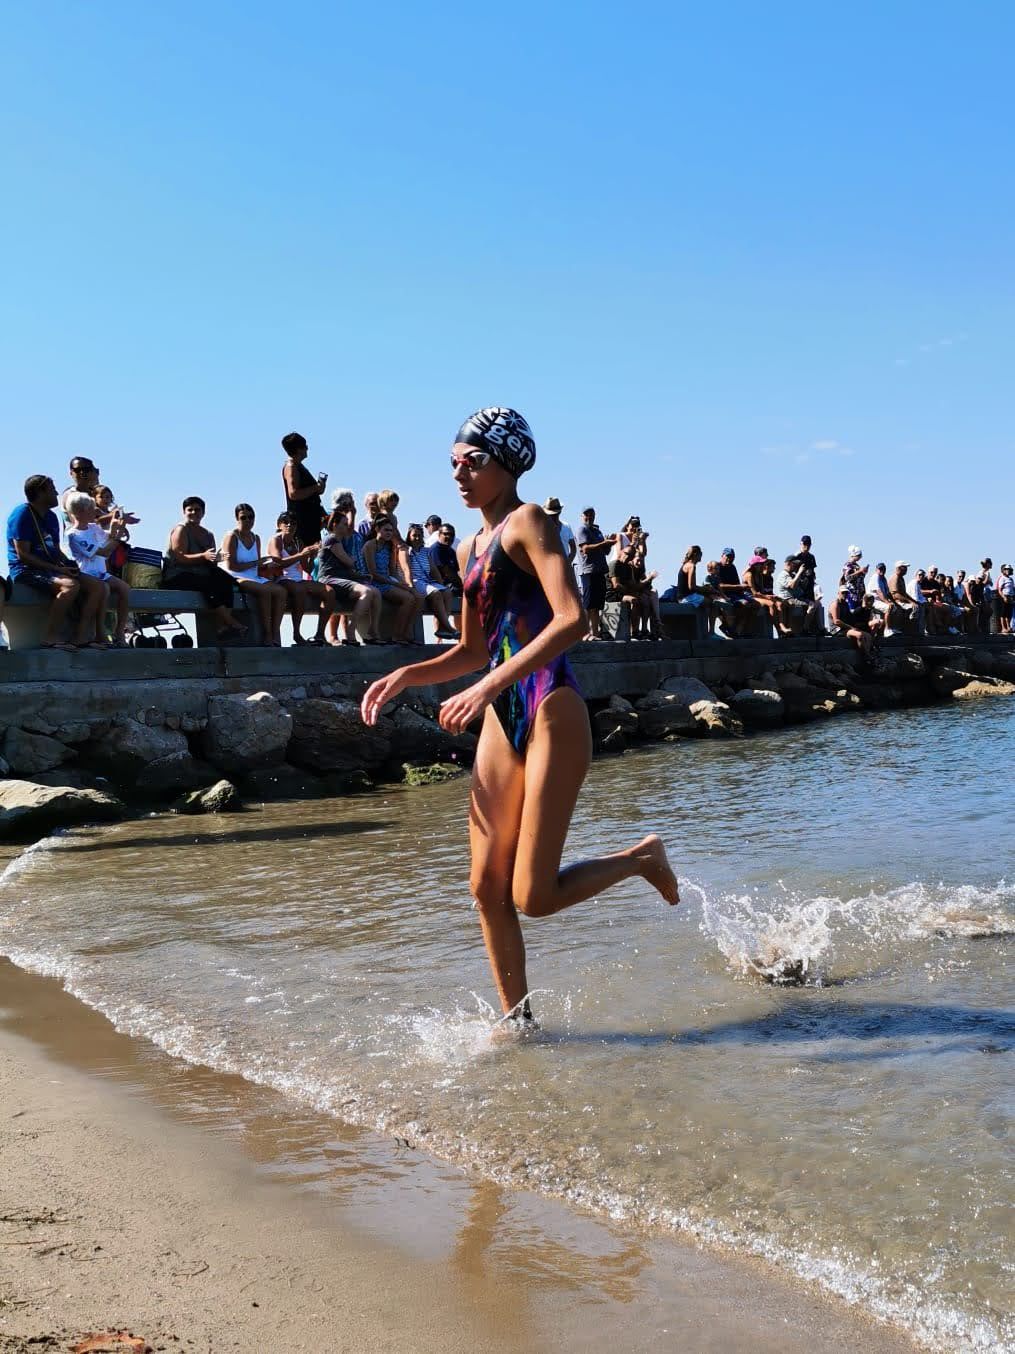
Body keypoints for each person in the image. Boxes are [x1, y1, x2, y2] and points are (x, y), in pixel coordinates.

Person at [360, 407, 679, 1022]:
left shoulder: (529, 522)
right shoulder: (470, 547)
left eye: (474, 462)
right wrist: (408, 673)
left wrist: (484, 688)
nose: (460, 474)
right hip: (503, 720)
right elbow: (473, 651)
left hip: (551, 708)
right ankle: (518, 1025)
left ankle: (642, 858)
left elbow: (572, 618)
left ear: (509, 464)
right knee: (486, 888)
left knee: (533, 895)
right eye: (454, 462)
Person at [7, 474, 106, 650]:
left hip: (51, 568)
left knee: (97, 586)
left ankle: (81, 637)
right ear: (40, 492)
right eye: (52, 490)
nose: (57, 493)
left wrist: (68, 564)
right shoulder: (22, 514)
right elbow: (24, 555)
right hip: (25, 570)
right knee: (69, 586)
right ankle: (50, 637)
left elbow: (55, 550)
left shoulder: (52, 517)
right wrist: (57, 569)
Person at [163, 496, 247, 640]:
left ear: (203, 512)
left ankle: (222, 625)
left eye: (197, 510)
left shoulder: (208, 534)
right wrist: (203, 556)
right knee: (207, 584)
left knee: (228, 581)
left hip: (200, 574)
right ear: (184, 512)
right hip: (177, 575)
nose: (194, 512)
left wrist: (216, 559)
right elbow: (180, 557)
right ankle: (232, 622)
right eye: (190, 510)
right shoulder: (180, 530)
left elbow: (209, 561)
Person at [65, 490, 131, 646]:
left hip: (101, 573)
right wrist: (117, 536)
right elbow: (105, 551)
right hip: (86, 574)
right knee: (104, 590)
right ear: (80, 512)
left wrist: (116, 527)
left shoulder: (93, 528)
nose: (94, 512)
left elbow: (108, 537)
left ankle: (119, 632)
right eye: (90, 509)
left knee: (125, 589)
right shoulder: (74, 535)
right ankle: (98, 633)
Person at [222, 504, 288, 647]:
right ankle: (267, 634)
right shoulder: (231, 536)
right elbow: (231, 566)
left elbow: (257, 565)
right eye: (243, 517)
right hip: (235, 576)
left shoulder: (255, 537)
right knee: (264, 591)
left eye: (251, 517)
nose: (248, 521)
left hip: (254, 576)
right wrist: (257, 562)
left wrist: (266, 566)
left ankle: (275, 631)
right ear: (237, 519)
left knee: (281, 592)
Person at [316, 509, 384, 644]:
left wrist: (361, 576)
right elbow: (349, 562)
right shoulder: (332, 539)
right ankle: (351, 629)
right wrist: (352, 561)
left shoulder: (339, 541)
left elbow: (348, 567)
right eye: (344, 524)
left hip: (342, 580)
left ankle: (373, 631)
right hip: (330, 579)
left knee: (375, 592)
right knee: (367, 591)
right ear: (335, 525)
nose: (348, 527)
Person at [267, 512, 335, 645]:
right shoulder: (276, 540)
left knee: (329, 591)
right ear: (279, 525)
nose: (289, 525)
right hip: (282, 578)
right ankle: (296, 633)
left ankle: (320, 634)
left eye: (293, 523)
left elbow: (307, 569)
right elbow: (279, 562)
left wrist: (312, 555)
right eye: (285, 522)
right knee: (299, 590)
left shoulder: (298, 542)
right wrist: (301, 555)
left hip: (298, 580)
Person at [362, 515, 420, 643]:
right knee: (408, 599)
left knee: (417, 595)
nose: (389, 533)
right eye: (386, 530)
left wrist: (402, 583)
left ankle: (406, 632)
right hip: (374, 582)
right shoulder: (370, 545)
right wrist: (398, 585)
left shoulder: (389, 547)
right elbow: (373, 573)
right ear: (377, 529)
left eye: (391, 530)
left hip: (387, 581)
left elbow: (392, 571)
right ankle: (397, 636)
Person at [405, 523, 459, 640]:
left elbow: (433, 569)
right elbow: (406, 570)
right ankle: (448, 626)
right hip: (416, 581)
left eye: (420, 535)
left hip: (427, 580)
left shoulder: (426, 551)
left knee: (447, 592)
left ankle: (443, 628)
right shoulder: (406, 551)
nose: (417, 538)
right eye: (415, 535)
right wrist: (410, 587)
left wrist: (441, 584)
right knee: (436, 593)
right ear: (409, 536)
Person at [576, 507, 616, 640]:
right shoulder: (582, 530)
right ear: (582, 516)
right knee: (588, 604)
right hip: (588, 571)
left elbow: (606, 552)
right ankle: (584, 633)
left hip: (600, 571)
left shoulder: (597, 531)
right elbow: (585, 549)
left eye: (592, 515)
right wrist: (603, 542)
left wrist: (609, 543)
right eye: (587, 515)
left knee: (597, 605)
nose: (589, 517)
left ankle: (595, 633)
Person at [281, 432, 327, 548]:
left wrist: (318, 489)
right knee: (306, 556)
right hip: (302, 523)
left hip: (311, 521)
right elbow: (293, 493)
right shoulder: (291, 467)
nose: (307, 448)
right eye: (305, 446)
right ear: (298, 449)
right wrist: (316, 487)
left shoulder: (299, 466)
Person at [715, 547, 759, 636]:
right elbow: (719, 586)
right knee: (745, 604)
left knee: (756, 604)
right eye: (728, 556)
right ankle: (732, 628)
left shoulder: (732, 567)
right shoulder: (717, 566)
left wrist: (742, 589)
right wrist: (739, 587)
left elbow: (737, 583)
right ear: (722, 556)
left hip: (736, 594)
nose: (730, 558)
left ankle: (740, 629)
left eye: (732, 557)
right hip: (724, 595)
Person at [676, 545, 719, 636]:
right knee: (713, 603)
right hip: (686, 598)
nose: (701, 556)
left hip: (684, 596)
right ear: (696, 554)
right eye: (700, 554)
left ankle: (705, 632)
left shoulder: (686, 564)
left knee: (707, 602)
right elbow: (692, 587)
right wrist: (707, 589)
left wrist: (705, 590)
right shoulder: (691, 566)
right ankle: (711, 633)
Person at [542, 497, 576, 564]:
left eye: (555, 514)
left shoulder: (566, 526)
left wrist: (568, 562)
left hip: (565, 565)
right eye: (551, 515)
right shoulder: (543, 528)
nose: (553, 516)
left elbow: (573, 547)